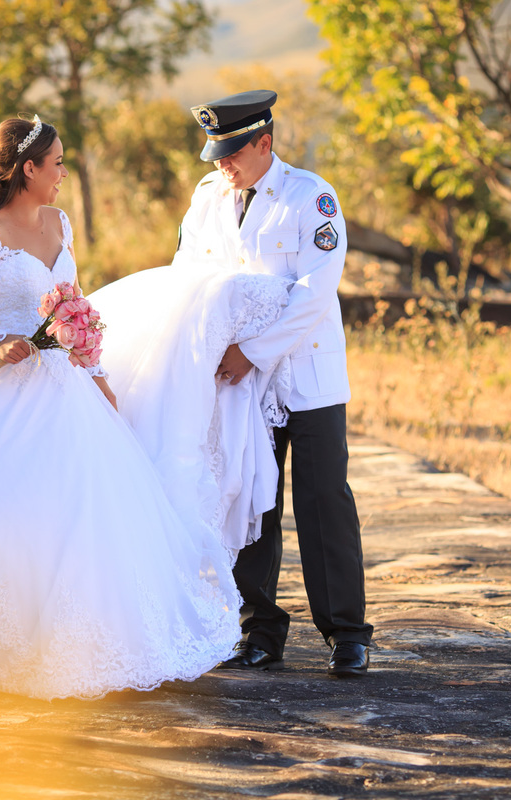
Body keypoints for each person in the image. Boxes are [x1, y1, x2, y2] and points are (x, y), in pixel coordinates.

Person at [0, 116, 240, 700]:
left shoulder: (60, 223)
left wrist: (97, 372)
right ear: (27, 168)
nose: (62, 173)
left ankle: (84, 641)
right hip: (5, 389)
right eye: (55, 163)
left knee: (86, 514)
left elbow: (71, 302)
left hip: (67, 387)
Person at [177, 90, 373, 677]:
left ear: (265, 142)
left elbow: (316, 292)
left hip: (303, 374)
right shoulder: (209, 196)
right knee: (249, 501)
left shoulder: (311, 196)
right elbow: (189, 273)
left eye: (233, 153)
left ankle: (346, 634)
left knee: (323, 501)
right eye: (216, 154)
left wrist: (252, 351)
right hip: (239, 382)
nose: (222, 165)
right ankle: (259, 630)